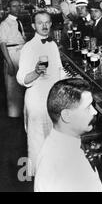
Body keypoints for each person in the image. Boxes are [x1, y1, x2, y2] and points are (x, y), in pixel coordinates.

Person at [17, 11, 67, 175]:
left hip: (53, 98)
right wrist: (36, 72)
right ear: (33, 26)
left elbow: (59, 70)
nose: (44, 26)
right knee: (38, 143)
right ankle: (41, 180)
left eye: (47, 22)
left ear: (51, 24)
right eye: (40, 23)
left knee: (55, 140)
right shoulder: (29, 48)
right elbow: (21, 78)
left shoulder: (52, 44)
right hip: (37, 101)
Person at [34, 78, 102, 192]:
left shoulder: (58, 146)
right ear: (66, 116)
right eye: (87, 107)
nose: (94, 112)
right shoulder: (68, 164)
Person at [0, 0, 26, 117]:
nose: (17, 8)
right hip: (12, 54)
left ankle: (21, 114)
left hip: (21, 54)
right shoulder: (4, 24)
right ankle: (13, 116)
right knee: (12, 87)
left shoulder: (18, 22)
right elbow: (2, 44)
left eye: (19, 6)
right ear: (8, 9)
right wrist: (9, 63)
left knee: (21, 85)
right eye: (14, 6)